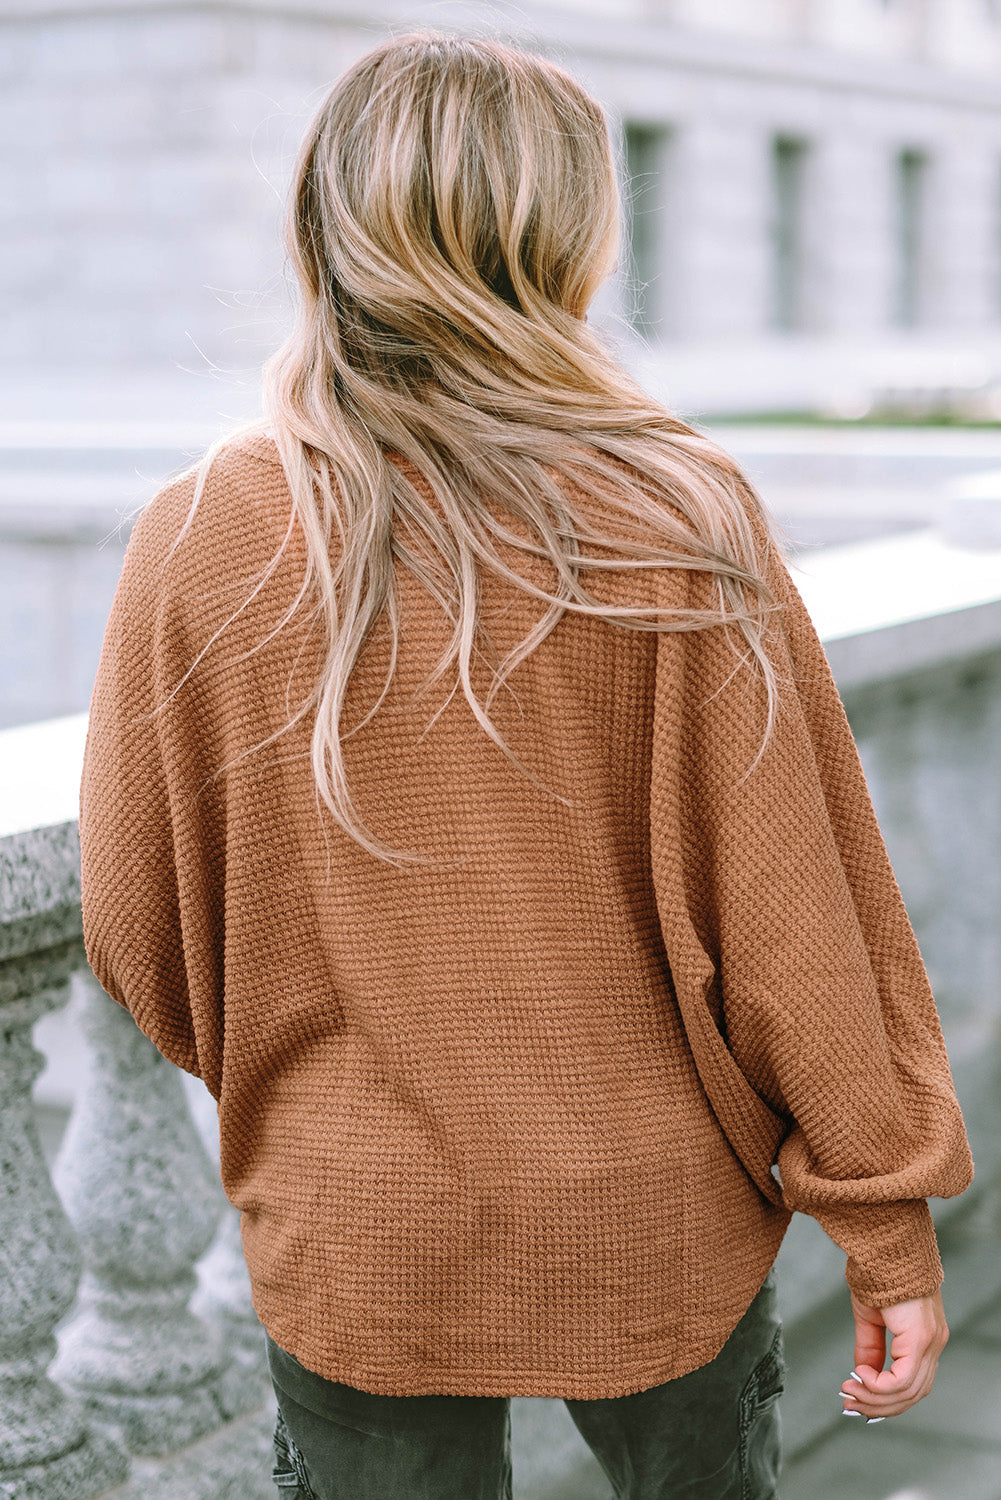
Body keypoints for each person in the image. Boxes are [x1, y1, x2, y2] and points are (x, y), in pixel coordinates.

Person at [78, 30, 974, 1500]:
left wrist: (324, 1096)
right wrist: (883, 1229)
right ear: (567, 233)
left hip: (355, 1212)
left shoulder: (200, 531)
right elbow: (797, 927)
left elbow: (138, 934)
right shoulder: (676, 513)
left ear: (326, 220)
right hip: (650, 1205)